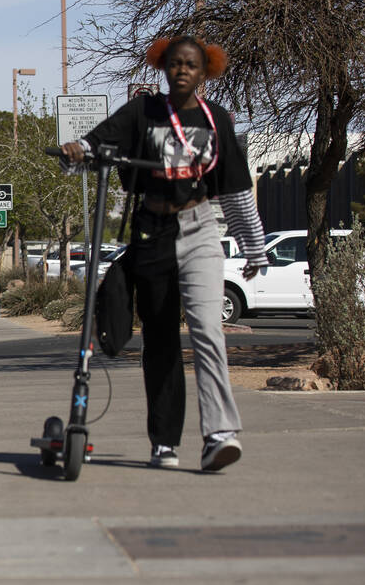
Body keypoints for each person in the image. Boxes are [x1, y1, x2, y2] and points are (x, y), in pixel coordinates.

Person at [60, 35, 268, 472]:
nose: (182, 71)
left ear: (204, 70)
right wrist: (77, 151)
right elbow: (99, 144)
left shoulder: (217, 121)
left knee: (209, 330)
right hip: (152, 233)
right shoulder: (144, 112)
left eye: (191, 65)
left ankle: (220, 435)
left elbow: (235, 189)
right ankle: (164, 443)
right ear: (163, 66)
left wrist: (253, 249)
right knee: (160, 341)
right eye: (174, 63)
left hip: (200, 231)